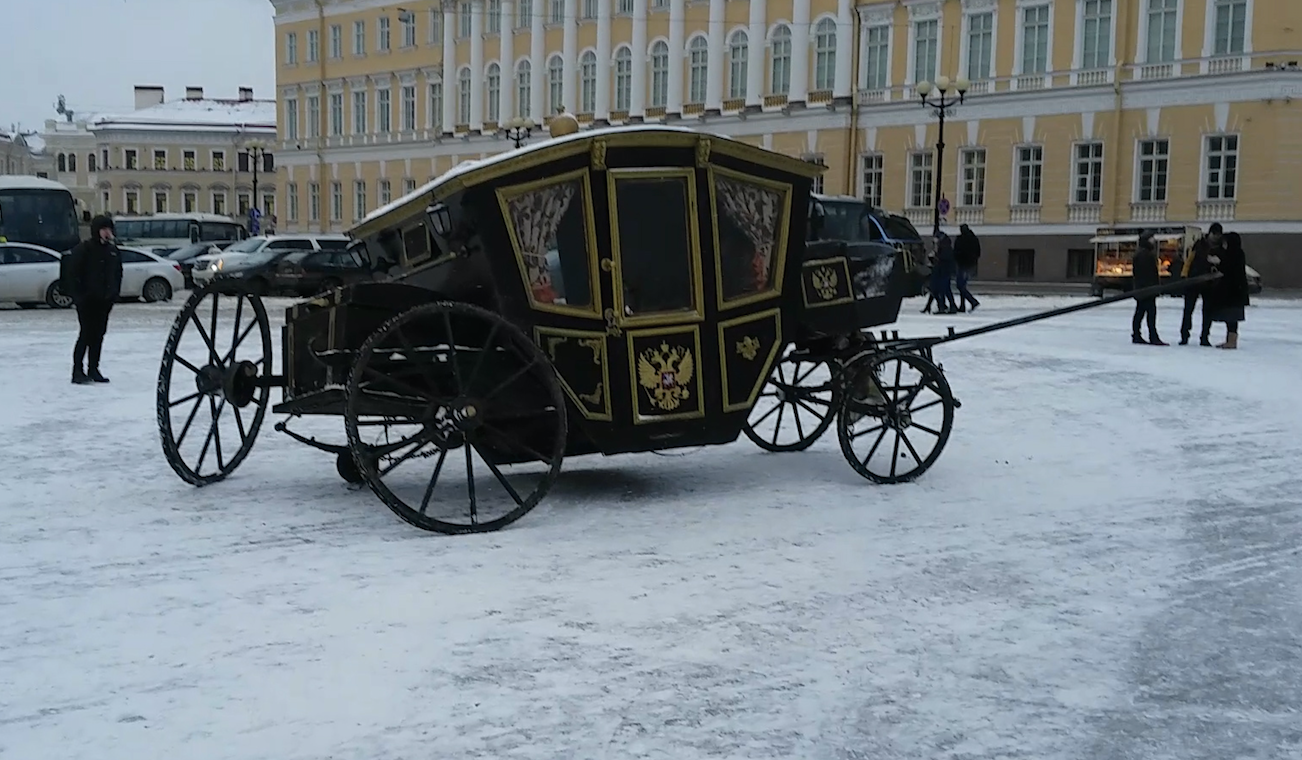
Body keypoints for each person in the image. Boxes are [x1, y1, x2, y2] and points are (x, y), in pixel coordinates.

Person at [63, 215, 123, 384]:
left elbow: (118, 273)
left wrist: (113, 293)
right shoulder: (84, 249)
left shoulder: (112, 250)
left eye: (109, 229)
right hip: (87, 301)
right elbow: (73, 274)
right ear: (96, 231)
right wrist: (79, 296)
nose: (107, 233)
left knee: (98, 335)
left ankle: (93, 368)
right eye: (103, 229)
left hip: (105, 301)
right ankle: (77, 371)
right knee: (86, 334)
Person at [1179, 222, 1224, 345]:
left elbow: (1224, 265)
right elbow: (1189, 260)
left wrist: (1218, 263)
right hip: (1194, 280)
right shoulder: (1199, 244)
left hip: (1210, 283)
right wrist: (1184, 275)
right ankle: (1184, 335)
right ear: (1209, 233)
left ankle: (1204, 337)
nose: (1216, 238)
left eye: (1218, 235)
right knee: (1188, 310)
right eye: (1214, 235)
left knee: (1207, 311)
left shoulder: (1220, 248)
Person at [1204, 231, 1250, 349]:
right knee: (1231, 318)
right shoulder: (1236, 253)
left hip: (1233, 292)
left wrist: (1219, 262)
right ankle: (1229, 340)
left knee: (1232, 318)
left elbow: (1229, 269)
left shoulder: (1235, 254)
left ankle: (1232, 342)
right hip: (1235, 292)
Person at [1130, 230, 1167, 345]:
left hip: (1144, 288)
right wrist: (1154, 287)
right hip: (1147, 288)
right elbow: (1148, 273)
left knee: (1141, 312)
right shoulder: (1145, 254)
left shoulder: (1142, 253)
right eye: (1151, 238)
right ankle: (1151, 336)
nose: (1153, 240)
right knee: (1149, 312)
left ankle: (1138, 334)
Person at [953, 223, 981, 312]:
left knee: (960, 285)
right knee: (962, 285)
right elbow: (978, 252)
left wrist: (957, 258)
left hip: (962, 264)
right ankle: (962, 305)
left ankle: (972, 301)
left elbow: (956, 252)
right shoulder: (974, 239)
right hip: (971, 264)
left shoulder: (960, 239)